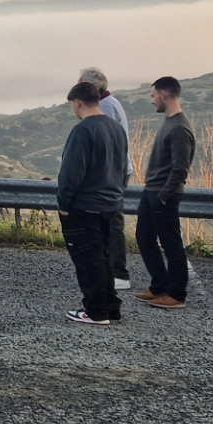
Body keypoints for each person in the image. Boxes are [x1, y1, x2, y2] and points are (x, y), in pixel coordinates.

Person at [56, 81, 128, 324]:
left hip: (84, 206)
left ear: (77, 103)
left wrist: (63, 204)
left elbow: (71, 172)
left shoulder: (83, 130)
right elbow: (121, 166)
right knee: (104, 257)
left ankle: (95, 312)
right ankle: (111, 307)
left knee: (88, 261)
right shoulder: (115, 128)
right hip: (111, 203)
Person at [136, 77, 195, 309]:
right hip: (152, 191)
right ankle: (159, 287)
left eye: (152, 96)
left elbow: (181, 168)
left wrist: (163, 195)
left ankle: (176, 295)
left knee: (171, 244)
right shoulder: (169, 122)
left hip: (163, 194)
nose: (151, 101)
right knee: (144, 237)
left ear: (163, 95)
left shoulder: (180, 128)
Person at [80, 67, 134, 290]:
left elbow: (106, 144)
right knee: (110, 220)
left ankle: (117, 274)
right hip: (116, 170)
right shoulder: (110, 103)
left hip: (111, 172)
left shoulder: (106, 107)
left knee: (111, 222)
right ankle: (111, 271)